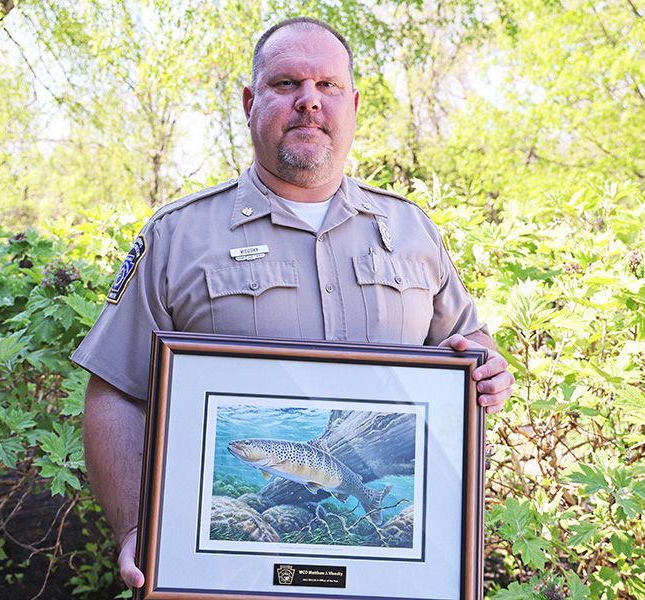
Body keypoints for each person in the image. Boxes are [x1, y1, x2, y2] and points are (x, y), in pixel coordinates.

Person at [72, 16, 514, 590]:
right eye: (287, 85)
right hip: (221, 578)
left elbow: (468, 345)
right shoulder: (178, 236)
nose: (310, 102)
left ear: (352, 104)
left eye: (327, 86)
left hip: (390, 583)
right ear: (252, 102)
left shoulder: (411, 230)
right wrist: (136, 525)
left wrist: (487, 369)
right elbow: (114, 392)